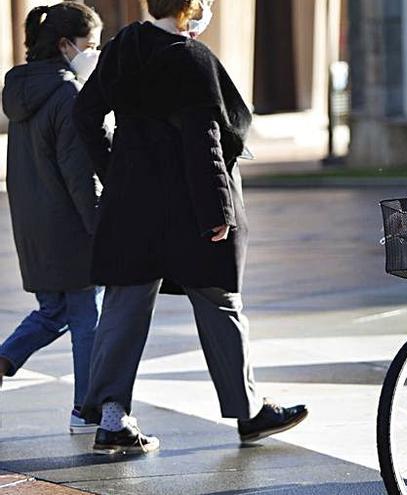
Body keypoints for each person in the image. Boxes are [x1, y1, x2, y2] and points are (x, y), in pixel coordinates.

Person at [73, 0, 306, 454]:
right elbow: (205, 140)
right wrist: (218, 212)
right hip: (187, 208)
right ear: (190, 8)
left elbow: (86, 114)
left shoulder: (122, 48)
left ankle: (111, 416)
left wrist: (115, 170)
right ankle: (249, 412)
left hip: (133, 206)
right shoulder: (191, 59)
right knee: (220, 302)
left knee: (125, 303)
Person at [0, 2, 103, 434]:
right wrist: (102, 230)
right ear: (65, 45)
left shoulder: (21, 90)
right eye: (90, 45)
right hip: (71, 228)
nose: (94, 53)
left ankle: (4, 358)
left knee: (53, 310)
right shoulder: (65, 94)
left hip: (33, 226)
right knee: (86, 319)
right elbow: (80, 176)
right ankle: (87, 409)